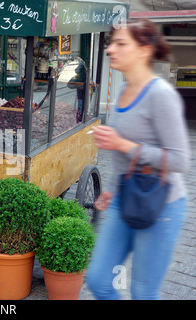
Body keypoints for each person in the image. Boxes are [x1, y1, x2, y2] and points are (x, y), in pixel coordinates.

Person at [86, 18, 190, 300]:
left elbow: (180, 160)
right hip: (126, 198)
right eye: (111, 44)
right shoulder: (121, 91)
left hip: (162, 206)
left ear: (143, 50)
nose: (110, 50)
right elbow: (125, 157)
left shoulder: (161, 95)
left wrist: (123, 144)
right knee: (98, 280)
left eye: (121, 44)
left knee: (143, 292)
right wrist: (113, 189)